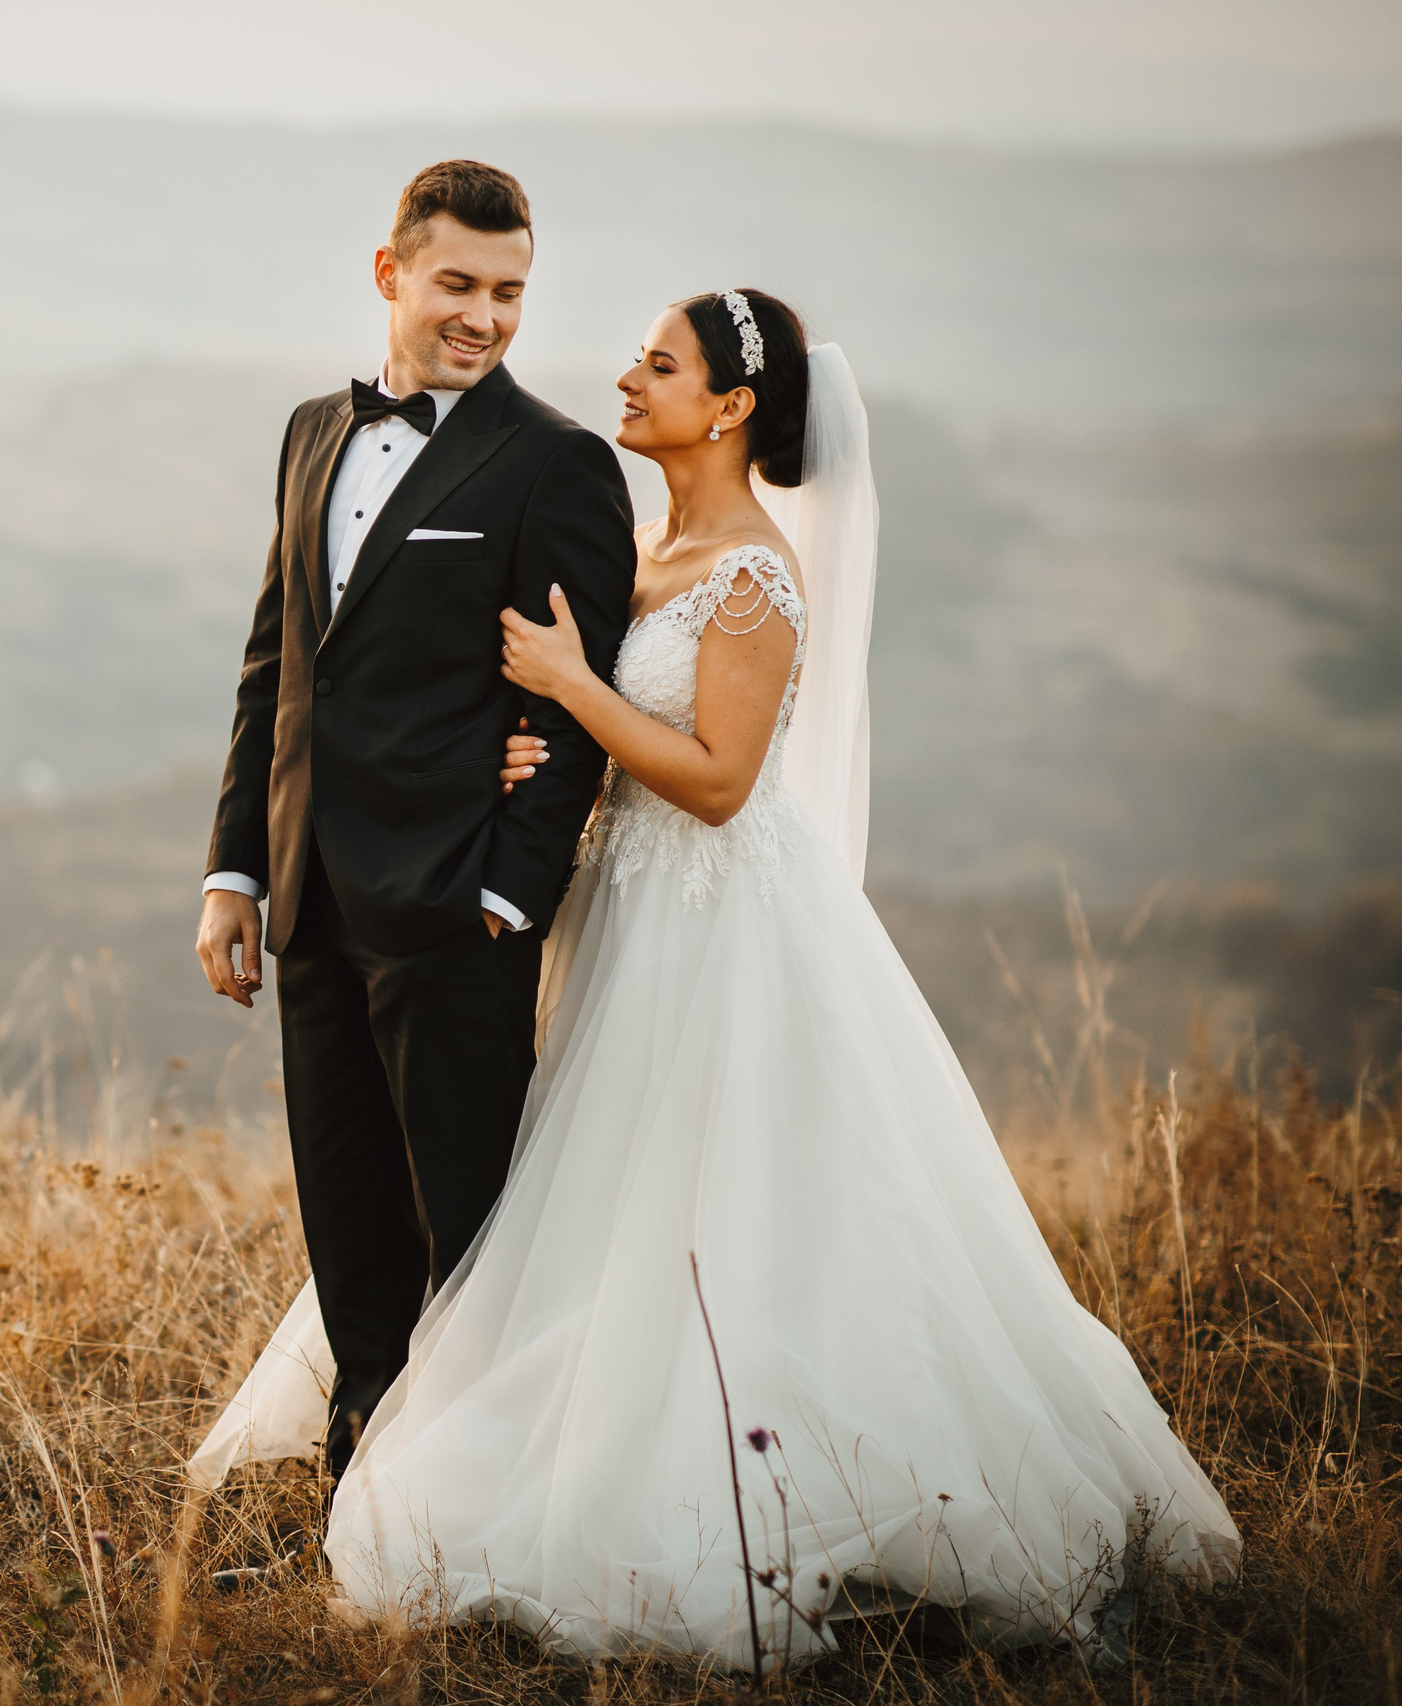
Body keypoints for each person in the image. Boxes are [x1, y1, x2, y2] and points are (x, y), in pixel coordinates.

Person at [193, 286, 1239, 1669]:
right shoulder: (645, 543)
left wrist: (576, 694)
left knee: (718, 1204)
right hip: (622, 911)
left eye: (661, 363)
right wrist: (529, 747)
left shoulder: (754, 572)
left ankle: (746, 1476)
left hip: (719, 927)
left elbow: (722, 782)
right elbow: (587, 730)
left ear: (731, 406)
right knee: (589, 1197)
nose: (628, 376)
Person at [192, 158, 639, 1487]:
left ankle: (486, 1487)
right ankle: (367, 1478)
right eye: (460, 284)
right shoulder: (307, 434)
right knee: (347, 1214)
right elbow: (277, 666)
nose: (486, 315)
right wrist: (234, 871)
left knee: (473, 1225)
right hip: (311, 896)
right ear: (392, 275)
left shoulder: (556, 464)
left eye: (510, 292)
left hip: (457, 913)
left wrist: (511, 895)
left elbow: (574, 707)